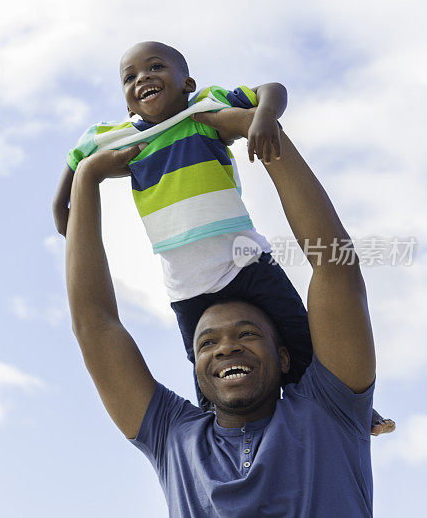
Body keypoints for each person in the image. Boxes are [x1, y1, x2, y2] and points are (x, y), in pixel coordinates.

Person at [53, 41, 393, 434]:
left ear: (187, 83)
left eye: (155, 67)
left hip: (244, 262)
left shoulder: (203, 110)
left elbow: (271, 89)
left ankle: (351, 409)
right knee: (206, 371)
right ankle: (218, 441)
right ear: (128, 103)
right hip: (187, 283)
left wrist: (263, 116)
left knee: (301, 340)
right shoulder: (120, 138)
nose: (142, 77)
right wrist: (64, 207)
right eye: (130, 77)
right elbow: (76, 160)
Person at [65, 106, 379, 516]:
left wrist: (264, 136)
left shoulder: (329, 410)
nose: (226, 347)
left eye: (247, 334)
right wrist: (85, 179)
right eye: (207, 342)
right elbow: (95, 327)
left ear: (285, 355)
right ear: (194, 364)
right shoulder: (173, 437)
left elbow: (336, 267)